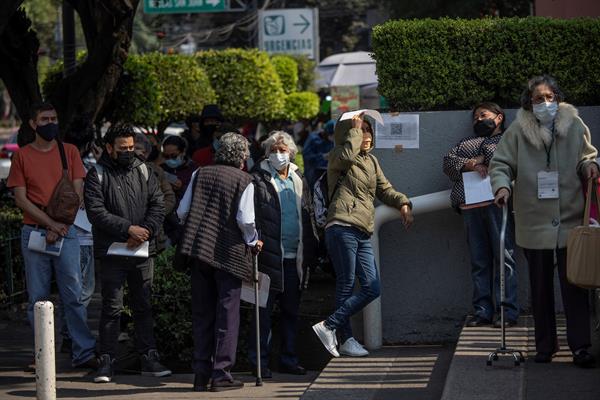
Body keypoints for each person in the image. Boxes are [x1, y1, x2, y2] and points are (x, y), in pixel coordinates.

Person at [490, 75, 599, 368]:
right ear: (529, 102)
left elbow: (588, 156)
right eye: (539, 98)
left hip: (570, 220)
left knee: (574, 286)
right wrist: (501, 186)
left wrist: (589, 166)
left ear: (558, 98)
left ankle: (580, 347)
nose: (546, 103)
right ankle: (545, 346)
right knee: (539, 288)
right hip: (533, 219)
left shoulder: (575, 125)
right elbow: (500, 164)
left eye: (550, 97)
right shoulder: (516, 131)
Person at [312, 113, 413, 357]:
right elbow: (347, 156)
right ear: (347, 133)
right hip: (341, 225)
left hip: (363, 229)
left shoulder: (372, 162)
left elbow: (384, 189)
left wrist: (403, 203)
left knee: (372, 286)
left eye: (368, 130)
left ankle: (329, 326)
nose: (366, 135)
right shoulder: (338, 155)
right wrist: (353, 131)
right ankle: (345, 339)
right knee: (346, 283)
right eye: (360, 130)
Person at [7, 102, 97, 369]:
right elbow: (21, 200)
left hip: (65, 232)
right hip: (35, 232)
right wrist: (51, 224)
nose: (51, 123)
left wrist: (61, 225)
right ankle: (42, 355)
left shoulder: (67, 151)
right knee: (38, 297)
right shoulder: (22, 156)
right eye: (45, 119)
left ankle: (83, 352)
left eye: (54, 118)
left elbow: (78, 191)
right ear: (33, 124)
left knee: (74, 295)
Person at [84, 123, 170, 382]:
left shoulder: (143, 169)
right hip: (113, 252)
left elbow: (158, 203)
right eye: (123, 148)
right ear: (109, 148)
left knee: (143, 305)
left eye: (132, 148)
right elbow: (96, 212)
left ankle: (149, 357)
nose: (129, 152)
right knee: (111, 307)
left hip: (143, 249)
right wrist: (128, 230)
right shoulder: (96, 174)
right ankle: (107, 361)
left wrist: (144, 230)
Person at [177, 132, 261, 392]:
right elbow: (246, 220)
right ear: (242, 157)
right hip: (229, 255)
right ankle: (221, 374)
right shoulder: (245, 180)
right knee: (228, 315)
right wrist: (253, 240)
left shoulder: (199, 173)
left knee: (202, 314)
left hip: (199, 251)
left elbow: (182, 212)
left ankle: (201, 374)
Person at [443, 102, 519, 328]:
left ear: (499, 118)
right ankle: (483, 311)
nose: (478, 120)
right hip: (469, 208)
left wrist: (482, 159)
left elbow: (507, 160)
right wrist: (469, 163)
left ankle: (507, 312)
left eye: (483, 115)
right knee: (479, 262)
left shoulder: (509, 139)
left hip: (498, 205)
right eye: (475, 117)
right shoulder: (465, 143)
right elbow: (447, 163)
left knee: (505, 258)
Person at [248, 131, 318, 378]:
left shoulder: (299, 178)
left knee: (291, 312)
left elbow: (308, 213)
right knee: (263, 314)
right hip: (267, 257)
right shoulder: (257, 179)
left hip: (294, 258)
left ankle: (288, 359)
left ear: (291, 152)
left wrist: (311, 248)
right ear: (267, 153)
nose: (279, 154)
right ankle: (260, 363)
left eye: (283, 150)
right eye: (274, 150)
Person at [134, 132, 177, 250]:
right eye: (131, 148)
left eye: (138, 148)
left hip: (154, 234)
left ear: (146, 153)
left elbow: (169, 197)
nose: (134, 152)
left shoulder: (156, 171)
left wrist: (155, 214)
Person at [160, 135, 196, 203]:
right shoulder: (161, 168)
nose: (170, 159)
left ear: (183, 152)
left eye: (174, 156)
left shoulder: (194, 169)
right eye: (166, 156)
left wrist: (182, 188)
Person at [303, 120, 335, 190]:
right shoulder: (313, 138)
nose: (332, 137)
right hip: (313, 174)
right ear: (325, 132)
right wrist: (322, 156)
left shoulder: (331, 141)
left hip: (327, 174)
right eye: (330, 134)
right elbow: (307, 156)